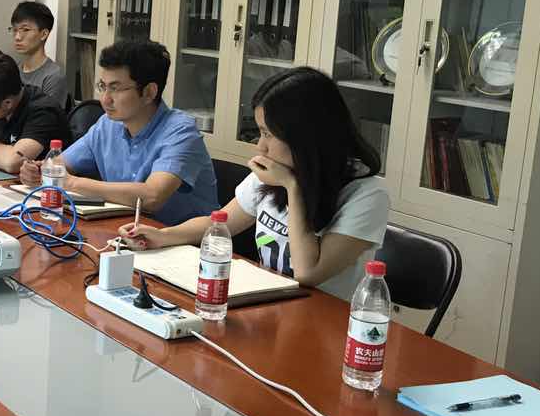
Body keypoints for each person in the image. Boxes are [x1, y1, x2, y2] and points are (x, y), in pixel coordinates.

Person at [125, 67, 390, 300]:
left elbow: (308, 272)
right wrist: (163, 236)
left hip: (321, 321)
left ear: (305, 137)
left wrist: (293, 188)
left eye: (268, 134)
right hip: (271, 305)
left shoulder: (366, 195)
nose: (260, 146)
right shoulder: (276, 173)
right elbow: (220, 223)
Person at [20, 40, 217, 225]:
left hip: (182, 242)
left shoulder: (181, 132)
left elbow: (152, 197)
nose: (105, 99)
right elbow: (58, 165)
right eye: (102, 87)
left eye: (115, 89)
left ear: (149, 92)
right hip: (124, 230)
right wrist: (38, 172)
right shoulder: (107, 125)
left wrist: (71, 183)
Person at [9, 0, 69, 110]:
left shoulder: (53, 76)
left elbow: (49, 117)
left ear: (44, 34)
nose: (17, 37)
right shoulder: (13, 70)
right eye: (14, 30)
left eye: (25, 30)